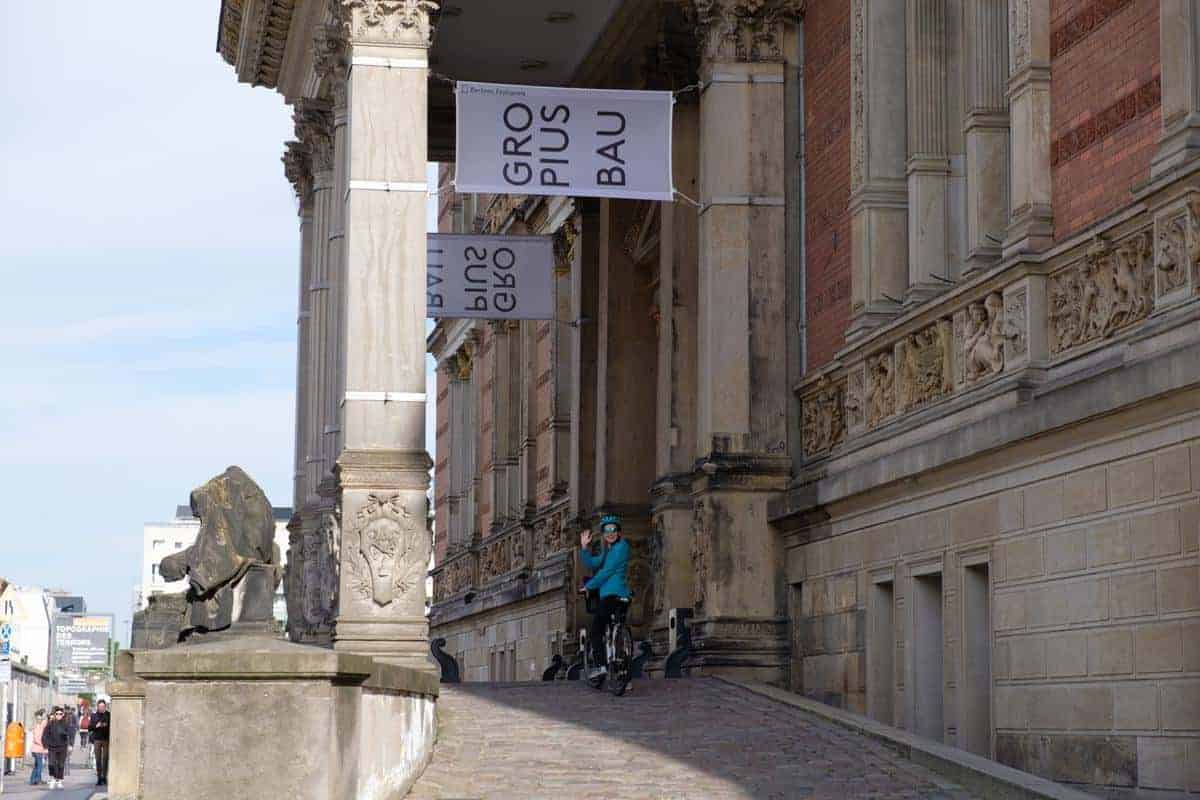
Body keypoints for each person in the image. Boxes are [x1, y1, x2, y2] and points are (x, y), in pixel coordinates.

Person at [578, 514, 632, 680]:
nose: (610, 533)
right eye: (607, 530)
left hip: (611, 595)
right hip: (621, 596)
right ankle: (622, 673)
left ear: (619, 532)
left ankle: (601, 666)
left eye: (613, 529)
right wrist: (584, 548)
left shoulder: (620, 548)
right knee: (615, 627)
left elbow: (606, 572)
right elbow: (593, 563)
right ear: (602, 534)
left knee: (596, 631)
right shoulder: (609, 550)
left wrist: (589, 586)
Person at [42, 707, 71, 790]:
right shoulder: (50, 724)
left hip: (62, 747)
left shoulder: (66, 724)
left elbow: (70, 734)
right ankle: (53, 779)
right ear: (54, 715)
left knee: (61, 764)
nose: (58, 715)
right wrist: (45, 746)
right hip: (52, 747)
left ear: (63, 715)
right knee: (51, 764)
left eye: (60, 714)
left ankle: (59, 781)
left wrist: (70, 745)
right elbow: (45, 735)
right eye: (57, 714)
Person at [90, 699, 111, 786]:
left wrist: (106, 725)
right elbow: (90, 727)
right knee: (98, 759)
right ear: (98, 707)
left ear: (105, 707)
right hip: (97, 740)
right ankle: (99, 777)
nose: (102, 708)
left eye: (103, 706)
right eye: (100, 706)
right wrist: (96, 725)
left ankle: (104, 777)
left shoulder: (109, 715)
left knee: (105, 759)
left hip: (106, 739)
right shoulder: (94, 715)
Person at [29, 710, 48, 786]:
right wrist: (44, 745)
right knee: (39, 766)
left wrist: (45, 715)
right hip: (37, 750)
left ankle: (33, 780)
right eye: (39, 719)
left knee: (37, 765)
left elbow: (45, 721)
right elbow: (37, 739)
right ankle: (36, 780)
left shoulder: (41, 725)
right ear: (37, 719)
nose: (40, 720)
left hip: (38, 749)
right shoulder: (37, 727)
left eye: (41, 719)